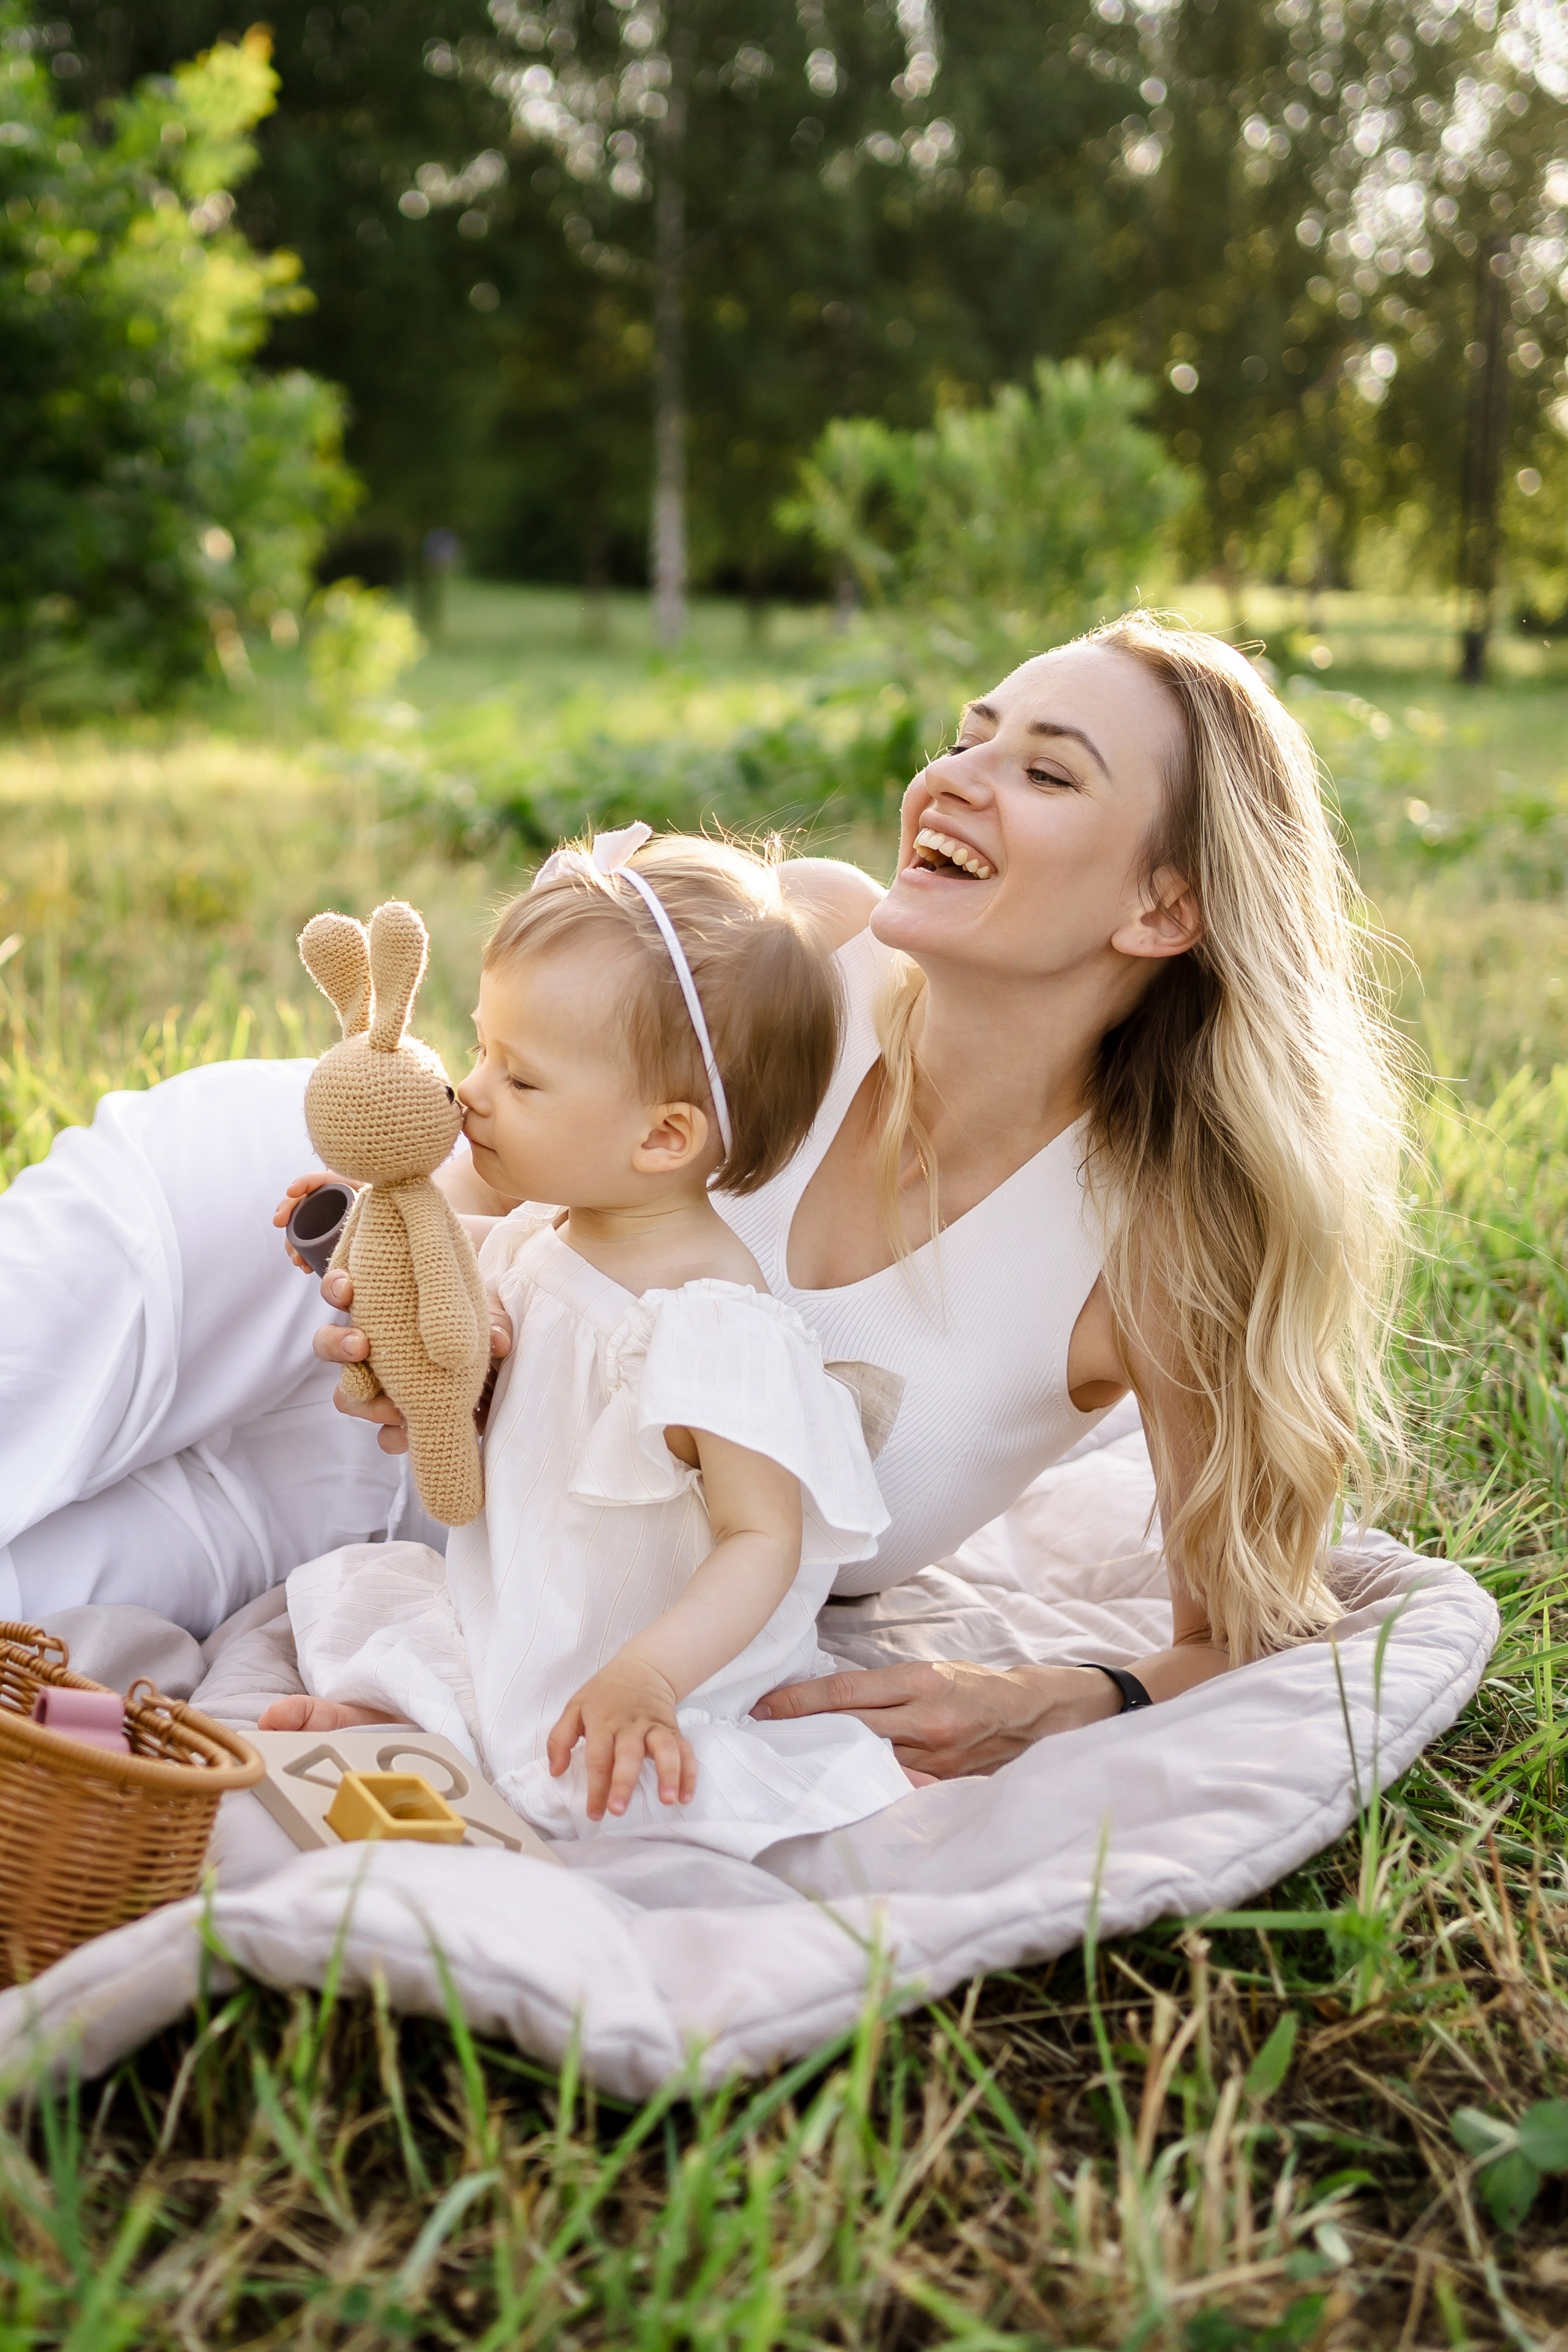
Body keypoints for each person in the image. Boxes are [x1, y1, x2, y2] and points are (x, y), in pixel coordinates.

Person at [1, 612, 1403, 1779]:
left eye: (1044, 772)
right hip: (280, 1256)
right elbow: (512, 1096)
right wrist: (404, 1265)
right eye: (969, 734)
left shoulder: (1145, 1260)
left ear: (1160, 909)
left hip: (388, 1524)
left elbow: (1250, 1636)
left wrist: (1067, 1693)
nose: (953, 776)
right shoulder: (813, 944)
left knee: (38, 1591)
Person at [261, 829, 916, 1856]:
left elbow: (763, 1539)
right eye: (480, 1050)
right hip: (527, 1595)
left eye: (519, 1080)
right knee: (409, 1620)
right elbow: (442, 1265)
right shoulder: (556, 1229)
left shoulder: (712, 1326)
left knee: (585, 1775)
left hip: (633, 1645)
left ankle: (503, 1732)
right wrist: (357, 1225)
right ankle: (441, 1716)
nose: (469, 1091)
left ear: (663, 1137)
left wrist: (649, 1676)